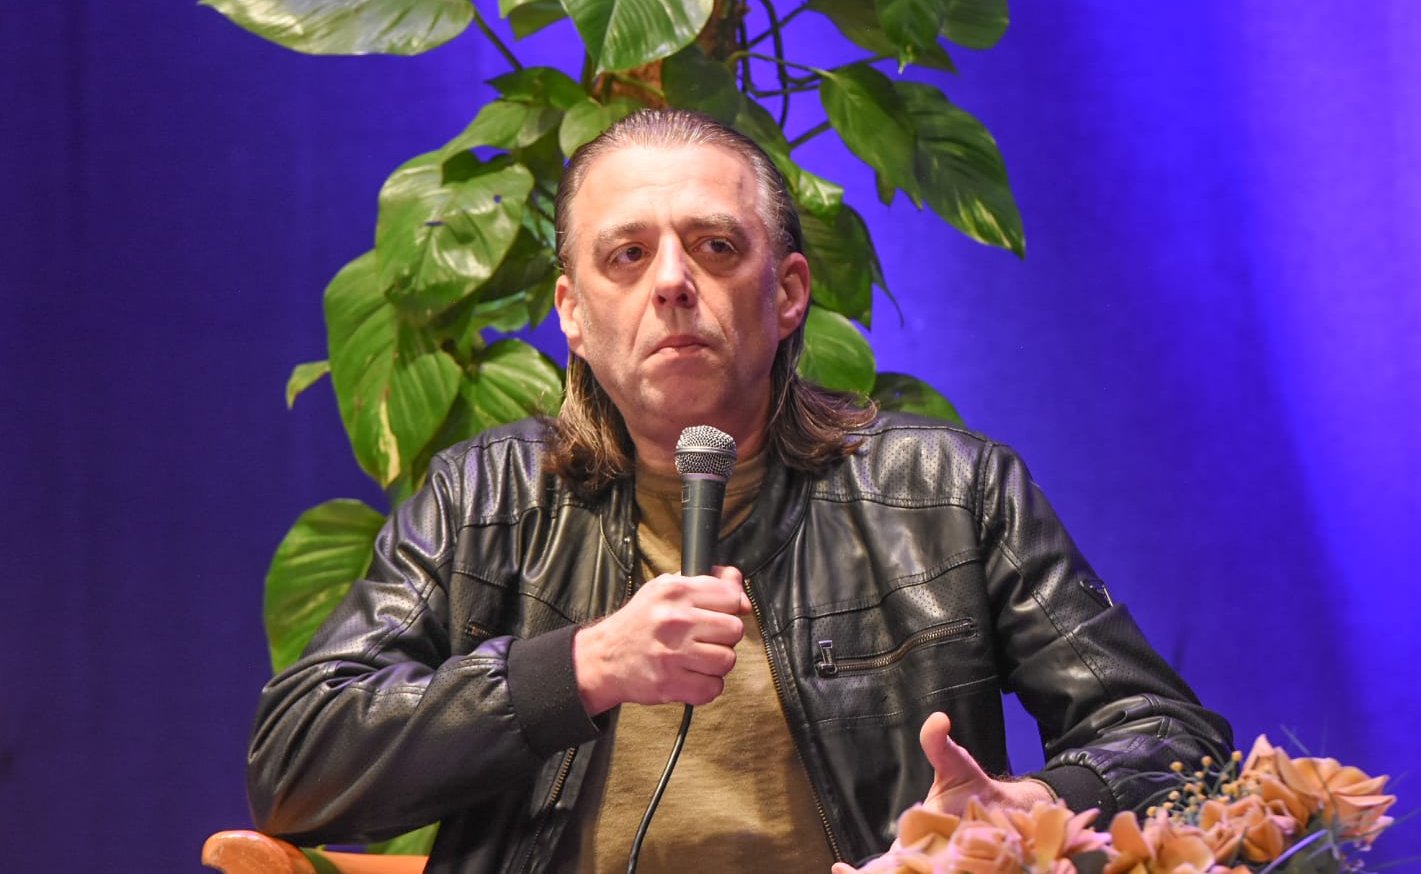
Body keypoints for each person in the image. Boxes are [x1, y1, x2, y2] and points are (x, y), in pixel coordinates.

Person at [246, 109, 1232, 874]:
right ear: (572, 314)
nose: (672, 281)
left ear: (789, 291)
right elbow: (295, 761)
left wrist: (1031, 806)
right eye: (627, 254)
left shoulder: (948, 491)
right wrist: (582, 666)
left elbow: (1170, 738)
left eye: (715, 246)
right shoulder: (486, 498)